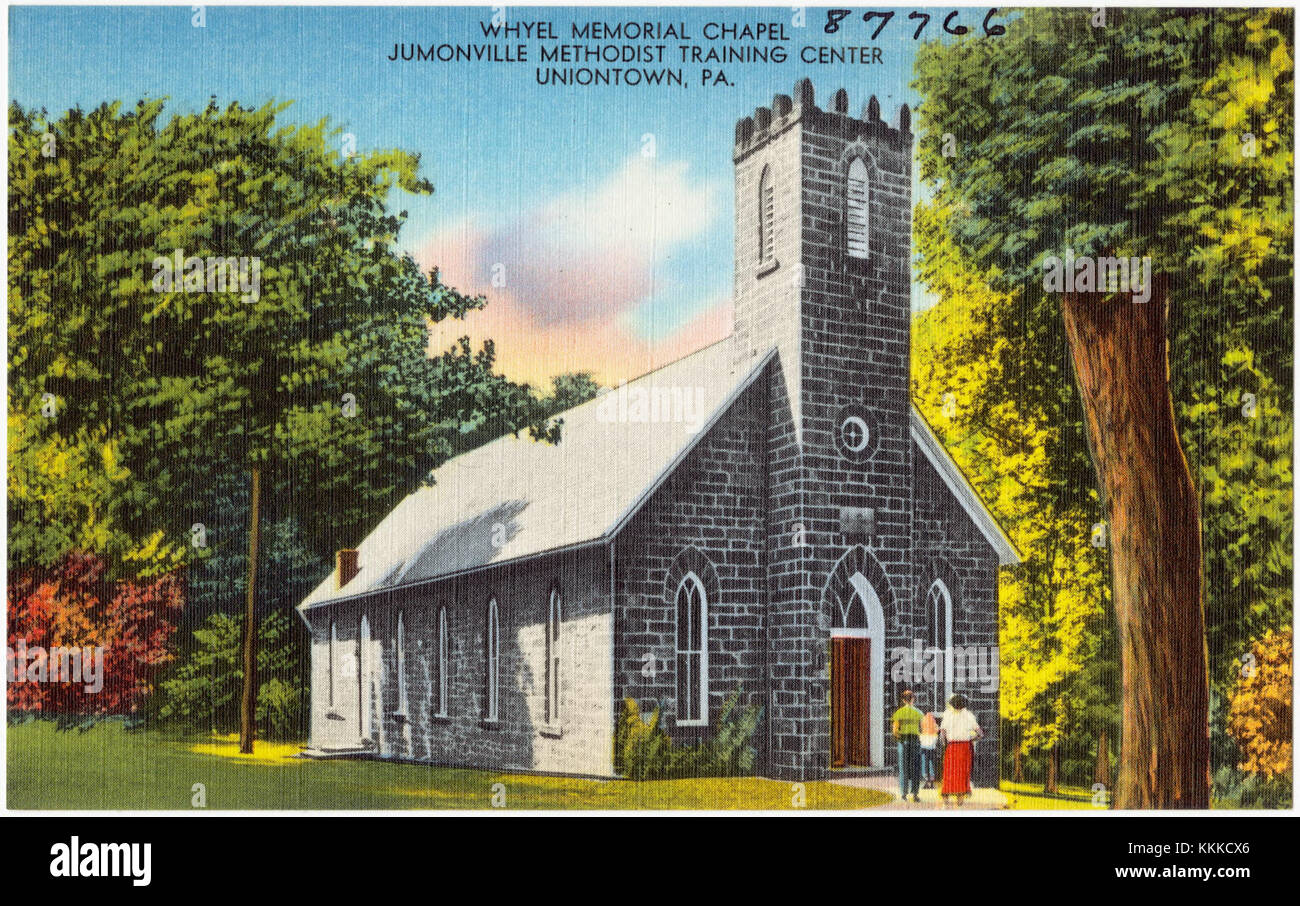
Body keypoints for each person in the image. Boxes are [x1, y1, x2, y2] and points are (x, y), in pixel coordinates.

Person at [939, 694, 982, 808]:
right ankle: (959, 801)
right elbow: (980, 734)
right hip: (965, 747)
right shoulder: (969, 716)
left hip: (952, 746)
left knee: (949, 772)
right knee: (963, 773)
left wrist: (945, 744)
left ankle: (945, 800)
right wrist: (971, 739)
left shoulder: (948, 715)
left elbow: (942, 733)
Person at [891, 689, 924, 803]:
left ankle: (904, 793)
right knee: (915, 768)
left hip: (903, 740)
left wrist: (900, 737)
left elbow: (895, 730)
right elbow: (923, 729)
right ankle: (915, 794)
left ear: (903, 700)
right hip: (915, 740)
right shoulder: (919, 713)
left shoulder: (899, 713)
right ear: (913, 699)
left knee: (903, 767)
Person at [919, 710, 940, 789]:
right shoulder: (934, 731)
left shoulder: (922, 733)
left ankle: (927, 781)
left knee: (925, 764)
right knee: (931, 764)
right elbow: (937, 730)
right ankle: (931, 781)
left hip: (924, 748)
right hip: (932, 748)